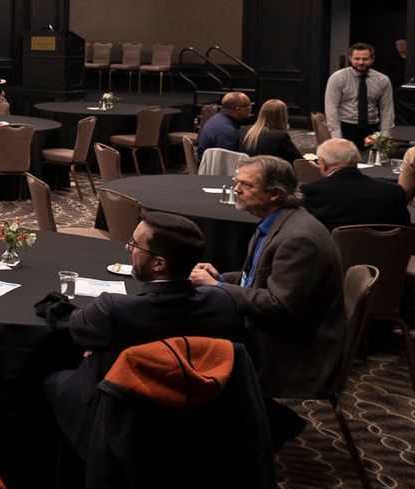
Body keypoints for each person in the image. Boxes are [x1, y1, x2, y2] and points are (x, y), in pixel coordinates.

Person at [45, 210, 240, 458]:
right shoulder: (222, 302)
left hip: (119, 410)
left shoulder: (113, 309)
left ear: (159, 264)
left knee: (49, 380)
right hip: (196, 411)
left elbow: (76, 328)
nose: (128, 248)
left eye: (135, 244)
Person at [190, 156, 345, 435]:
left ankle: (267, 422)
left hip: (291, 345)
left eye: (245, 185)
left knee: (191, 340)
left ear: (274, 193)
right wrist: (223, 278)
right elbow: (259, 278)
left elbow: (278, 305)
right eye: (237, 181)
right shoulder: (277, 223)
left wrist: (216, 288)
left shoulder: (299, 239)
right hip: (275, 328)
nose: (236, 189)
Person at [301, 138, 411, 231]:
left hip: (334, 255)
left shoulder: (312, 192)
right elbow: (406, 232)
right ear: (356, 161)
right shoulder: (393, 192)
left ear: (324, 164)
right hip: (385, 254)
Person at [323, 42, 396, 147]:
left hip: (372, 129)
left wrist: (385, 138)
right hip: (345, 128)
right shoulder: (338, 78)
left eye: (365, 59)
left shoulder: (382, 80)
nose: (361, 62)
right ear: (350, 58)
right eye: (356, 59)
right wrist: (337, 138)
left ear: (372, 59)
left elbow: (387, 110)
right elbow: (331, 109)